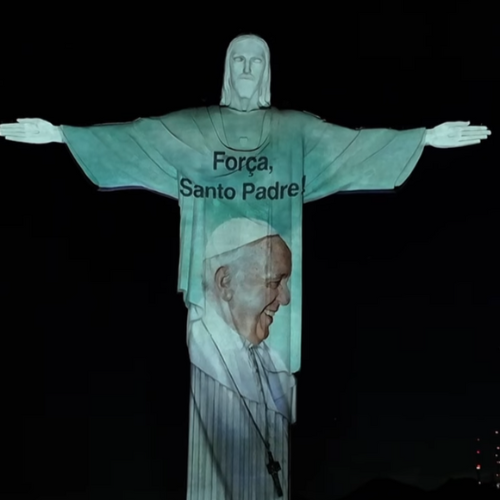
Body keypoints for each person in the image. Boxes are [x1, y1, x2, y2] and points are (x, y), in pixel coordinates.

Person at [0, 34, 491, 499]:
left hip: (269, 333)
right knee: (215, 427)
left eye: (257, 60)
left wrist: (423, 139)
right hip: (210, 321)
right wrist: (62, 136)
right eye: (239, 59)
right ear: (226, 69)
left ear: (268, 71)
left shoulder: (292, 132)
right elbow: (139, 139)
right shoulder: (193, 132)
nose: (247, 69)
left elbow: (352, 146)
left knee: (270, 416)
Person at [188, 217, 295, 499]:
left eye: (286, 282)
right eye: (275, 282)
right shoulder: (193, 353)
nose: (285, 299)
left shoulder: (273, 363)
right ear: (225, 283)